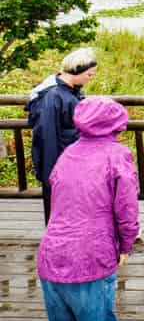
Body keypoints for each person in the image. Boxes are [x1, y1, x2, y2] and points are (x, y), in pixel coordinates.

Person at [37, 96, 141, 321]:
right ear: (114, 124)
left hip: (51, 255)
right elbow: (126, 208)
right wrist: (126, 245)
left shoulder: (68, 154)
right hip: (90, 257)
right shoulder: (117, 155)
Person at [27, 47, 98, 223]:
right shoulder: (53, 96)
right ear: (76, 71)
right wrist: (50, 174)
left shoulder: (70, 91)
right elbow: (47, 137)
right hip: (60, 163)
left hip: (72, 161)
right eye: (89, 75)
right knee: (60, 211)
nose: (91, 78)